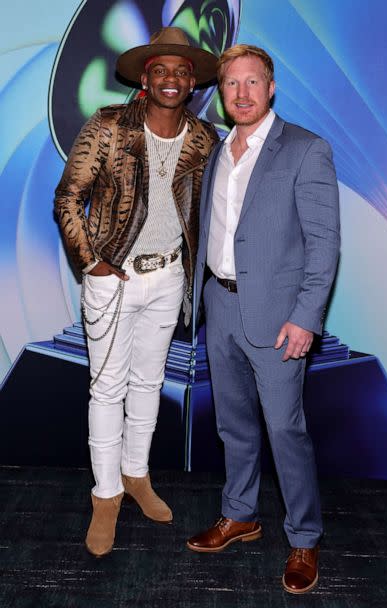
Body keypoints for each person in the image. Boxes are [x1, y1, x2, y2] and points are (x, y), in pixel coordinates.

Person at [54, 27, 218, 557]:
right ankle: (105, 498)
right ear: (145, 79)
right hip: (113, 280)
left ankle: (136, 477)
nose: (171, 78)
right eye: (160, 70)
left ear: (192, 82)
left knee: (149, 383)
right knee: (107, 389)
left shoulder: (203, 138)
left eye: (180, 71)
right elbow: (68, 197)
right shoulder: (108, 126)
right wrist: (92, 263)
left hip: (169, 276)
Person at [187, 44, 340, 594]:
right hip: (220, 306)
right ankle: (240, 513)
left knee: (285, 429)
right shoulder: (217, 152)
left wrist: (306, 317)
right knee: (235, 427)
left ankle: (304, 539)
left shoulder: (306, 149)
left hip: (280, 318)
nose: (243, 93)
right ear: (222, 92)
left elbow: (324, 245)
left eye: (253, 82)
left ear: (271, 87)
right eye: (232, 84)